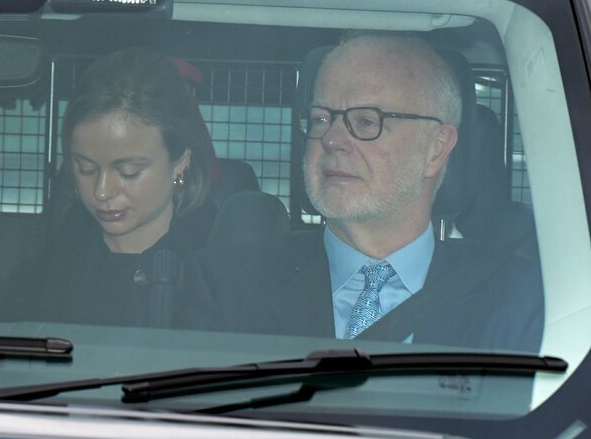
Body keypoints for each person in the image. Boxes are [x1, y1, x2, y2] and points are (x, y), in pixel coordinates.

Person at [179, 32, 543, 350]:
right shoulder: (228, 286)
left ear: (436, 148)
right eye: (321, 119)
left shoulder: (521, 299)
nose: (333, 140)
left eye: (367, 121)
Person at [1, 48, 216, 327]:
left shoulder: (220, 275)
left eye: (129, 172)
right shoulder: (40, 277)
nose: (102, 192)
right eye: (85, 168)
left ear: (181, 161)